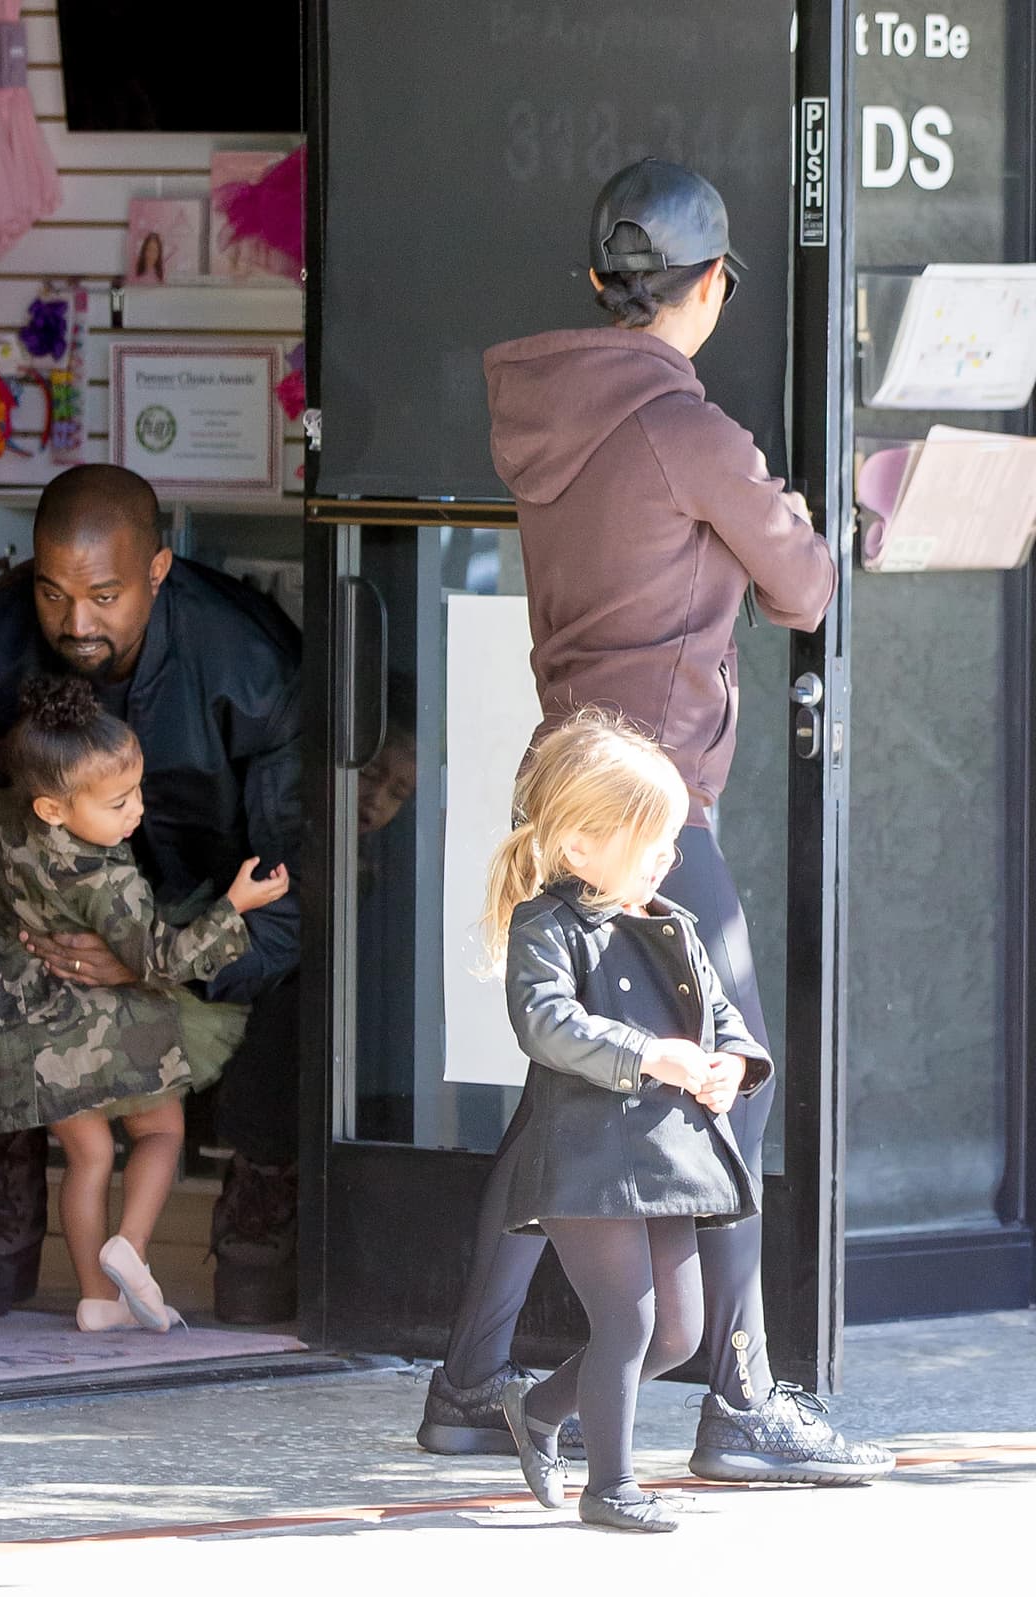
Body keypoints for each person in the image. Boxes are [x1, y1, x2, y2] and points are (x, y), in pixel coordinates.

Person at [419, 157, 895, 1485]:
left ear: (597, 281)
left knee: (562, 1094)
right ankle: (739, 1403)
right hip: (651, 811)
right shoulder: (687, 431)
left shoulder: (546, 412)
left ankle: (467, 1387)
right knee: (732, 1078)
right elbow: (804, 588)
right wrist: (788, 519)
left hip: (567, 782)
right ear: (714, 285)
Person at [0, 463, 302, 1324]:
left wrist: (151, 962)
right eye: (52, 593)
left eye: (104, 596)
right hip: (42, 920)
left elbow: (292, 871)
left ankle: (260, 1197)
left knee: (300, 970)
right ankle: (4, 1190)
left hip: (192, 907)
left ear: (157, 569)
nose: (76, 623)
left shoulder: (251, 661)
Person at [486, 712, 768, 1531]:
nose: (666, 859)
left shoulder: (670, 923)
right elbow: (546, 1022)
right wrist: (648, 1053)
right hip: (586, 1162)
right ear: (580, 847)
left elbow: (721, 1014)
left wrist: (733, 1063)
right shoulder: (546, 926)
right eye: (650, 843)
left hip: (662, 1155)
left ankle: (539, 1409)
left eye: (669, 841)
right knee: (628, 1319)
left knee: (677, 1332)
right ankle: (610, 1486)